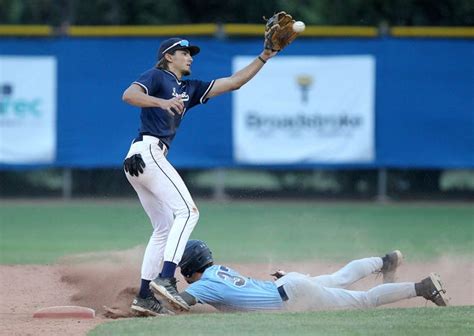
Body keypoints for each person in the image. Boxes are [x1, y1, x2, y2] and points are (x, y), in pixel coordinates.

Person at [121, 37, 280, 316]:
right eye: (184, 53)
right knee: (189, 212)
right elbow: (129, 95)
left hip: (142, 157)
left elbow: (234, 82)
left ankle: (145, 296)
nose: (190, 57)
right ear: (169, 56)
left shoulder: (189, 89)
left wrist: (265, 55)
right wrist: (161, 102)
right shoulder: (157, 75)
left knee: (164, 228)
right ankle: (166, 279)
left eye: (190, 53)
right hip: (147, 153)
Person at [158, 240, 450, 313]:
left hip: (292, 295)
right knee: (339, 278)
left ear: (188, 268)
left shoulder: (206, 284)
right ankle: (384, 261)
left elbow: (177, 302)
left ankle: (423, 287)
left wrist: (149, 303)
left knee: (362, 301)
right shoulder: (218, 270)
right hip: (288, 284)